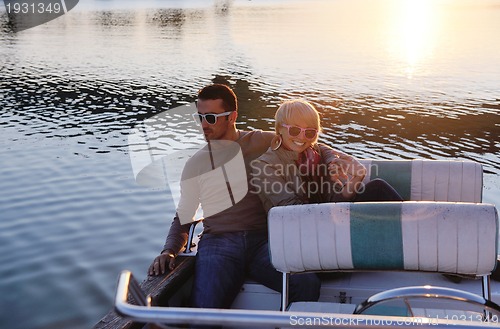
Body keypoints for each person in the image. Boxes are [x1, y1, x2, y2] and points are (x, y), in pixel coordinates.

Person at [148, 85, 321, 320]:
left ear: (232, 117)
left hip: (264, 241)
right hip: (219, 243)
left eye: (210, 117)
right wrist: (169, 250)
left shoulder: (263, 142)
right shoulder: (195, 164)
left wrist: (338, 162)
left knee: (306, 283)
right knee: (204, 315)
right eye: (199, 117)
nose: (203, 124)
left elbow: (310, 146)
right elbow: (184, 214)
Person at [250, 99, 403, 212]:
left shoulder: (316, 154)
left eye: (309, 132)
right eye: (295, 130)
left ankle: (415, 231)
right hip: (299, 230)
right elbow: (293, 211)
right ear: (279, 129)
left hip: (329, 217)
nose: (302, 138)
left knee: (378, 187)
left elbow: (336, 199)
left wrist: (357, 177)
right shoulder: (265, 166)